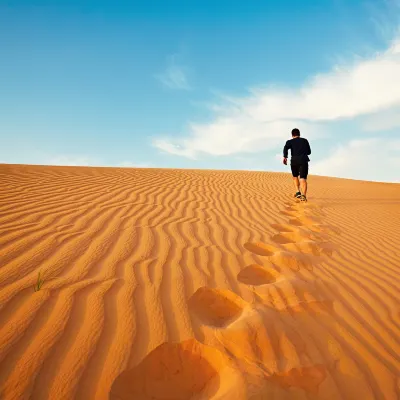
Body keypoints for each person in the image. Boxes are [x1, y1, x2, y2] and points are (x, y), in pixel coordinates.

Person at [283, 128, 311, 202]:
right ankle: (304, 195)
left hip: (294, 161)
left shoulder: (289, 142)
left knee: (295, 176)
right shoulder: (305, 141)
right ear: (299, 134)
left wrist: (285, 157)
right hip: (303, 160)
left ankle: (298, 192)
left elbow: (285, 148)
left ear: (292, 135)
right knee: (303, 178)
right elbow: (309, 152)